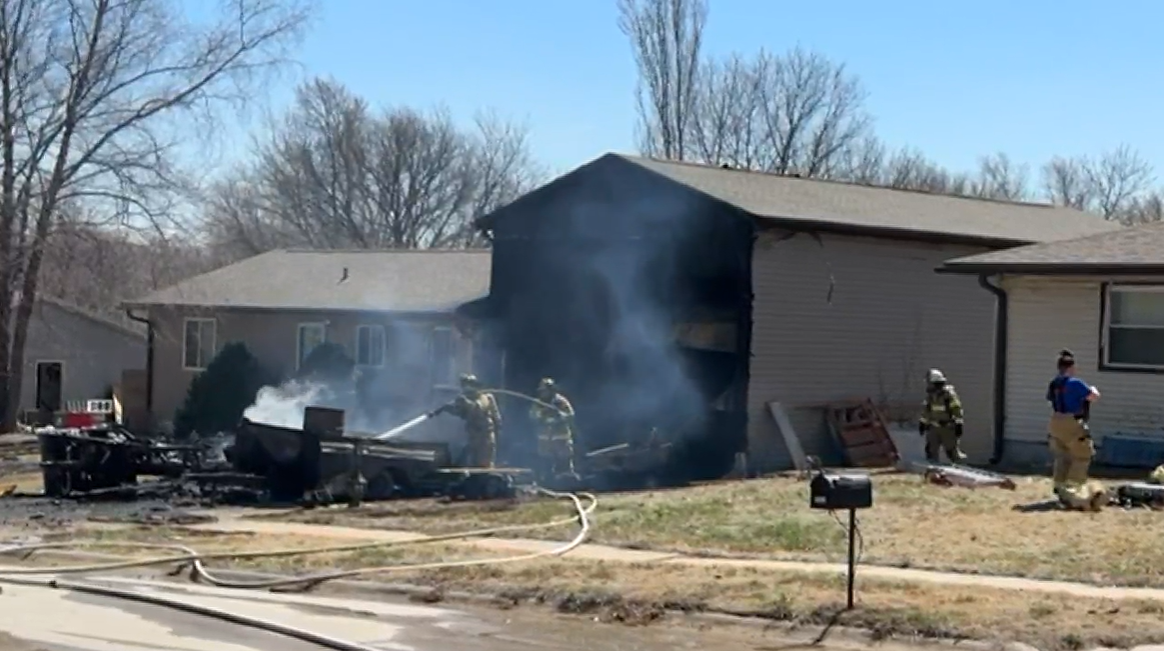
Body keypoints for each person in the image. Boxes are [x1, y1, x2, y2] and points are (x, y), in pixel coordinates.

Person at [1046, 349, 1105, 510]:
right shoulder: (1075, 383)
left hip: (1055, 420)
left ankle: (1060, 488)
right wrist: (1093, 389)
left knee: (1063, 455)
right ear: (1071, 367)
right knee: (1082, 454)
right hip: (1071, 421)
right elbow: (1093, 397)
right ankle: (1075, 491)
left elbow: (1050, 400)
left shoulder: (1054, 384)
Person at [437, 374, 502, 468]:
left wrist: (465, 402)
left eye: (469, 384)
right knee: (472, 463)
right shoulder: (464, 398)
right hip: (473, 435)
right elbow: (461, 413)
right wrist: (447, 408)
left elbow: (478, 409)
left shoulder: (485, 397)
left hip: (485, 436)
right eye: (464, 385)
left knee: (484, 464)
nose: (467, 387)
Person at [529, 378, 578, 482]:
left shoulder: (560, 401)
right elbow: (532, 415)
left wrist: (559, 416)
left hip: (561, 437)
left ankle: (567, 481)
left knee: (564, 460)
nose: (543, 393)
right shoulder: (538, 403)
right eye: (542, 391)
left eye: (545, 390)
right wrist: (542, 415)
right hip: (545, 438)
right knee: (546, 461)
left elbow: (570, 414)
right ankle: (546, 481)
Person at [918, 369, 968, 463]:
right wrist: (923, 422)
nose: (928, 385)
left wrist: (959, 423)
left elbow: (956, 408)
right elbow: (927, 411)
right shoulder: (930, 397)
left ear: (936, 383)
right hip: (934, 428)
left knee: (952, 452)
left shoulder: (948, 395)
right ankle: (933, 471)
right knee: (930, 450)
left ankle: (961, 468)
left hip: (947, 428)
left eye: (930, 383)